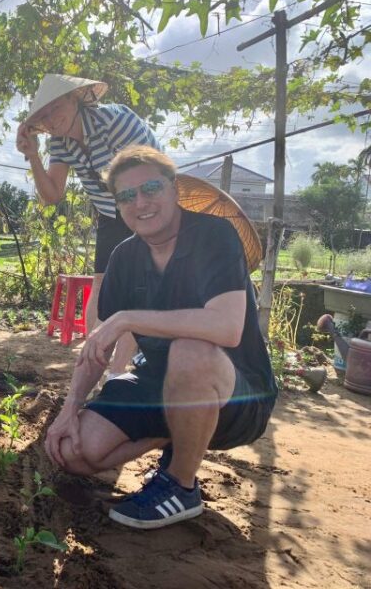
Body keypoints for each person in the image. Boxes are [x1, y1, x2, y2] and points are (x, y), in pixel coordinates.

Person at [43, 146, 277, 529]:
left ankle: (180, 485)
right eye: (127, 195)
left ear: (173, 190)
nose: (141, 202)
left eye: (151, 188)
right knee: (72, 451)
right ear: (118, 206)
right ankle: (179, 431)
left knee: (191, 351)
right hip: (159, 383)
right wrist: (70, 408)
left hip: (236, 396)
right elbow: (98, 346)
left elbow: (227, 328)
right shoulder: (124, 257)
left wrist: (128, 319)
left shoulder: (214, 236)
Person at [16, 74, 161, 344]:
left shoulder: (114, 121)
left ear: (75, 99)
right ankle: (92, 356)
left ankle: (124, 365)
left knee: (137, 284)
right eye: (43, 117)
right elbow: (52, 195)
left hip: (149, 201)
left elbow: (145, 176)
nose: (51, 120)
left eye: (55, 108)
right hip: (110, 209)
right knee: (101, 282)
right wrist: (33, 155)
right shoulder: (59, 143)